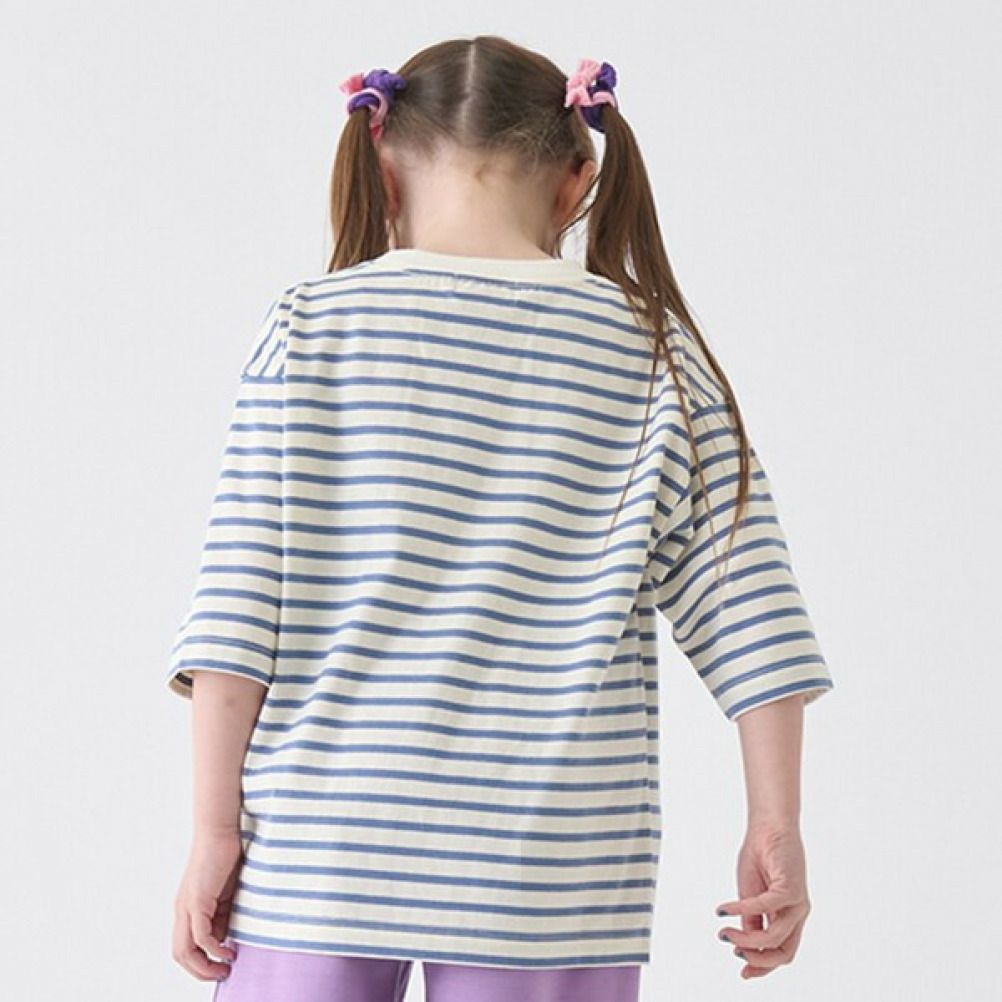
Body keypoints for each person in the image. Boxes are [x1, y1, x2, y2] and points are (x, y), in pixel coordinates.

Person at [165, 35, 835, 1002]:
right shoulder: (652, 352)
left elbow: (237, 613)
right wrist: (776, 824)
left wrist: (212, 833)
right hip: (550, 872)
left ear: (382, 171)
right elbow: (750, 608)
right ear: (576, 182)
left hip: (319, 849)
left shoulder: (311, 326)